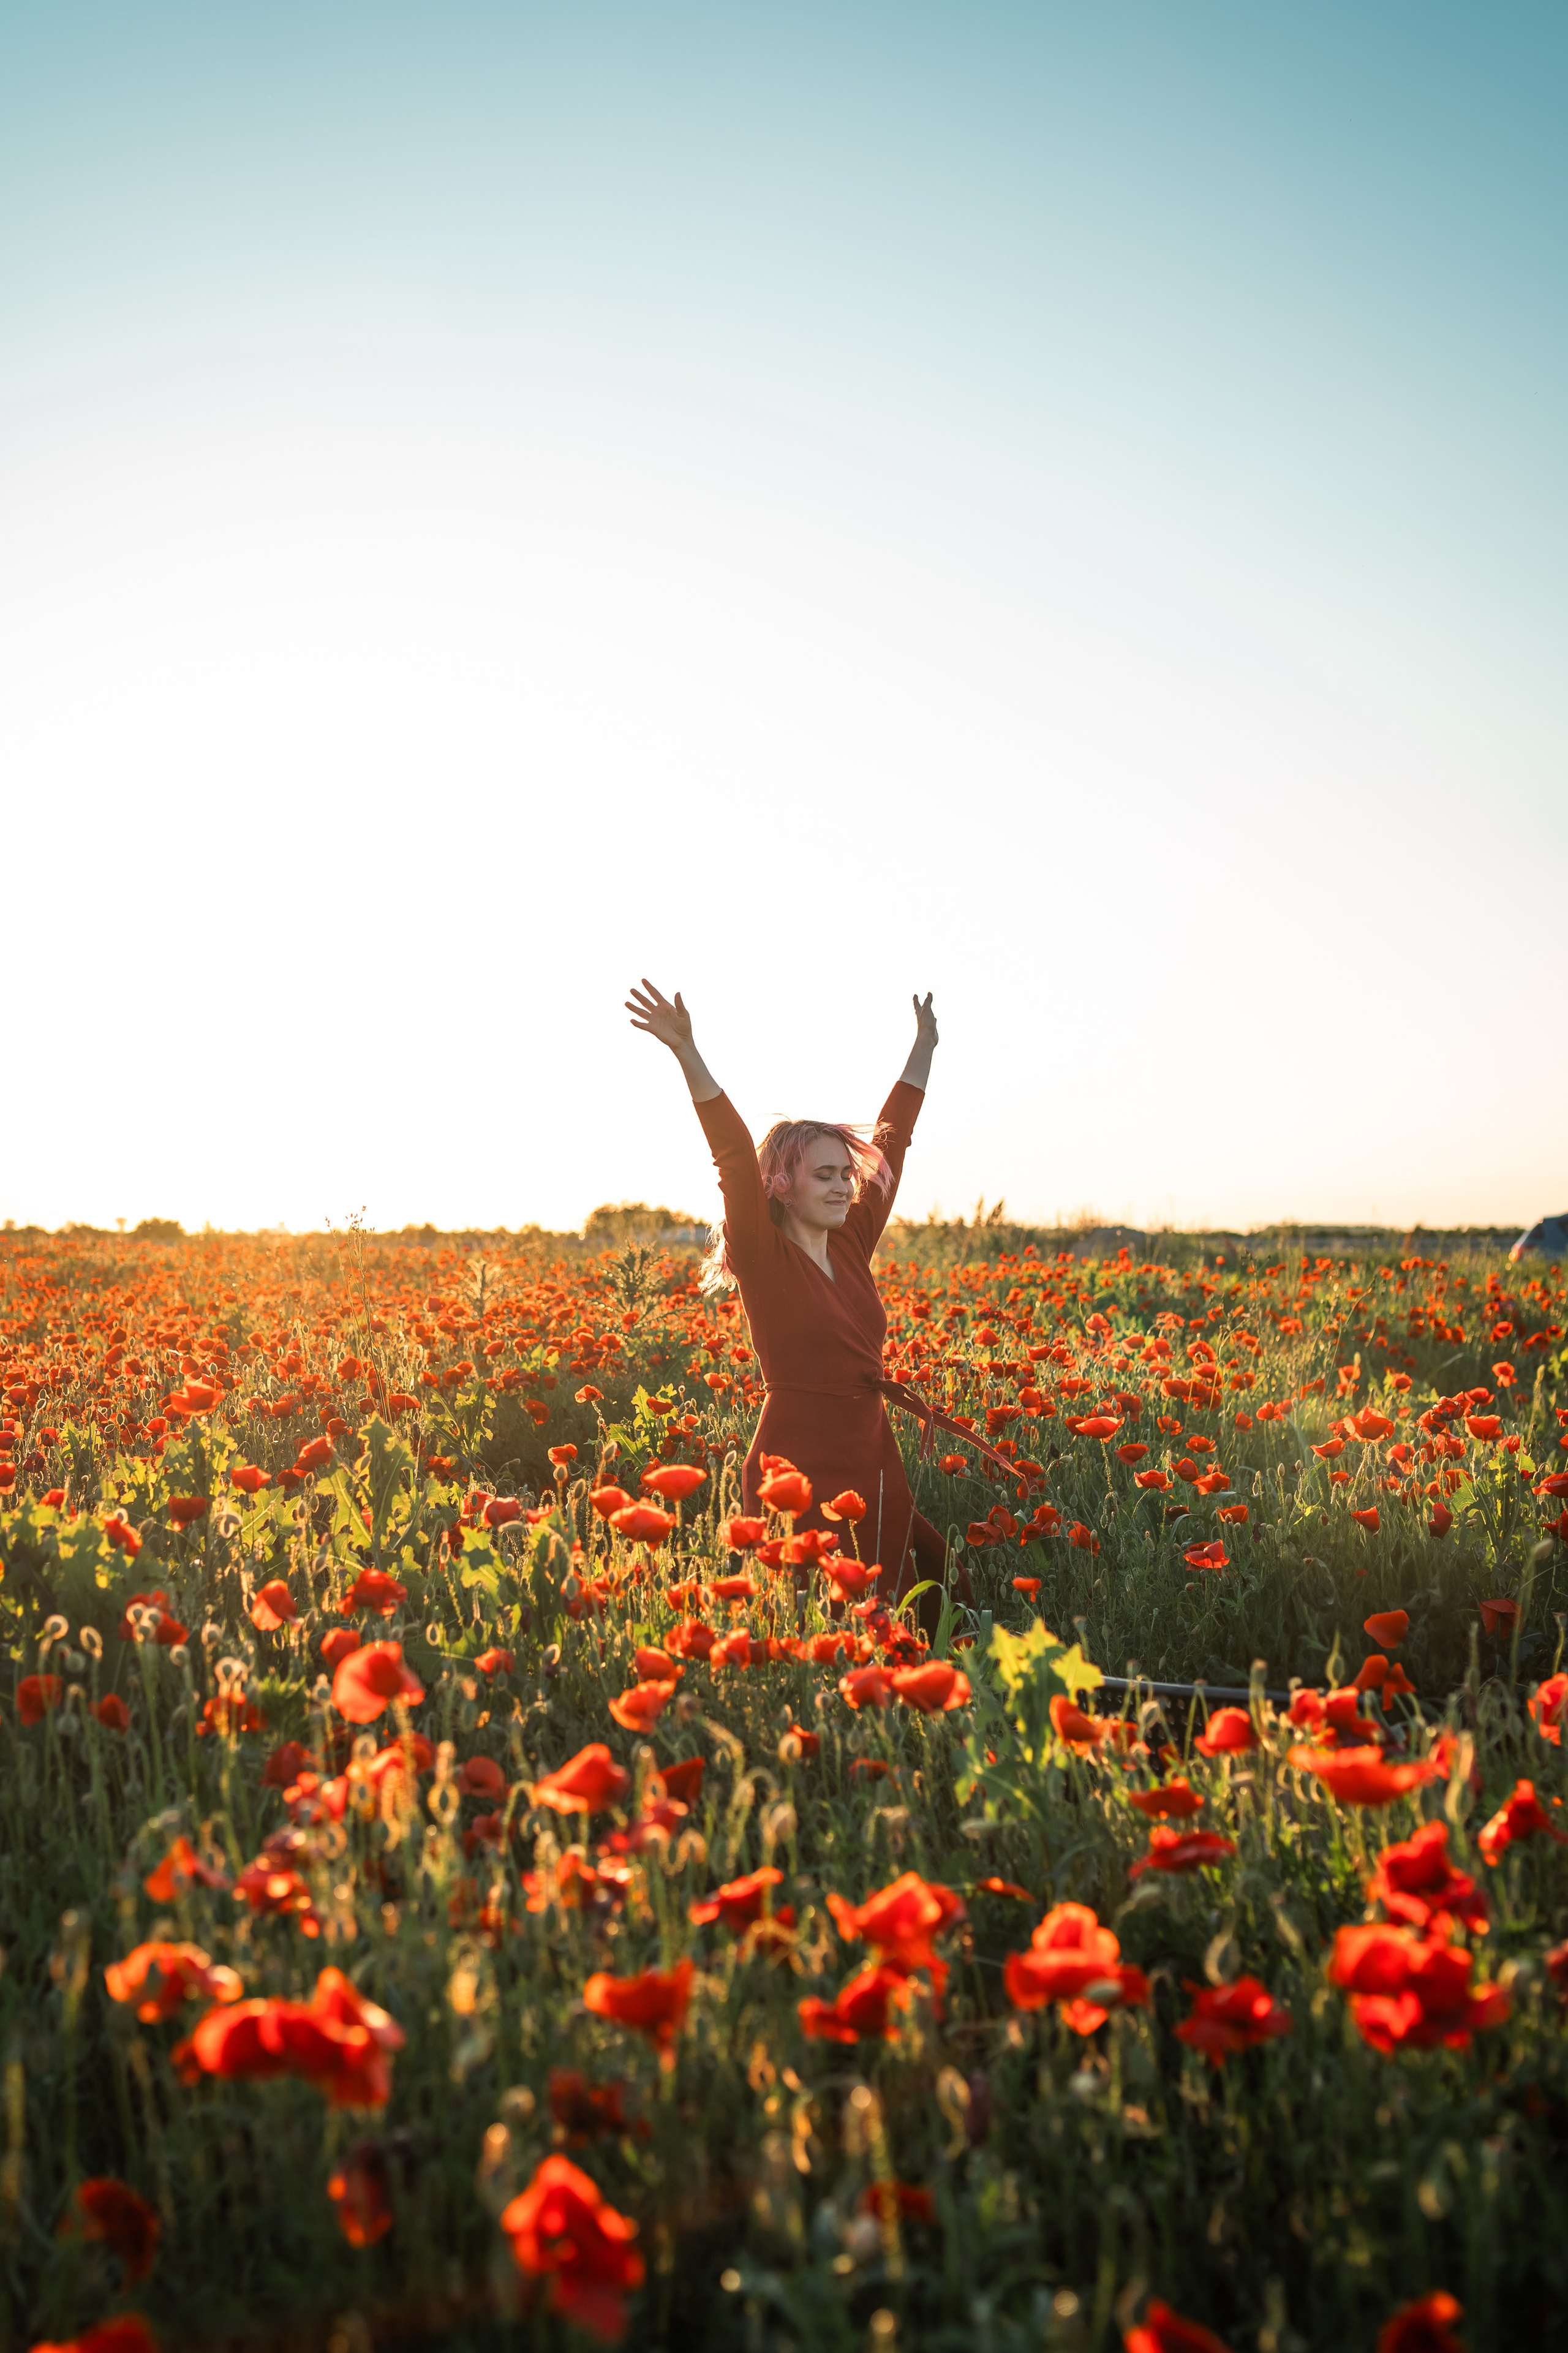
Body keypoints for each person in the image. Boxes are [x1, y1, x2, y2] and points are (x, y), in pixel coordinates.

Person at [626, 978, 978, 1628]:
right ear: (782, 1185)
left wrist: (923, 1047)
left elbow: (892, 1142)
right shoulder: (762, 1255)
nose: (846, 1186)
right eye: (827, 1175)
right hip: (798, 1457)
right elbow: (733, 1154)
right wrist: (687, 1050)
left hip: (873, 1452)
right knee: (813, 1616)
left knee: (908, 1607)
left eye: (847, 1173)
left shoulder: (851, 1244)